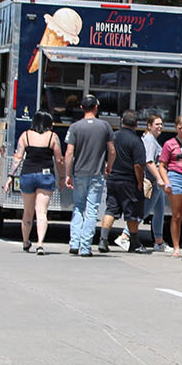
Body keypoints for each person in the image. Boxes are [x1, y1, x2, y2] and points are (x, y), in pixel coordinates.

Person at [64, 95, 115, 256]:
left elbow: (69, 153)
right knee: (92, 209)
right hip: (97, 173)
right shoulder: (105, 126)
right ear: (96, 107)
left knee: (78, 207)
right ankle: (86, 247)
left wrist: (67, 174)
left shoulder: (75, 127)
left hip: (79, 172)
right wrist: (109, 167)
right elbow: (112, 151)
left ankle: (74, 243)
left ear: (81, 108)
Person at [13, 110, 66, 255]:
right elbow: (59, 160)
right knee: (41, 212)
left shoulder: (25, 135)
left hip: (27, 175)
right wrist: (62, 177)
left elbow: (18, 157)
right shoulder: (52, 137)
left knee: (27, 211)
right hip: (46, 176)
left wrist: (10, 175)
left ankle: (25, 242)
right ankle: (40, 244)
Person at [102, 110, 148, 253]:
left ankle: (103, 240)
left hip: (113, 178)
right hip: (129, 181)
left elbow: (106, 157)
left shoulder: (113, 137)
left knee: (111, 209)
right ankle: (134, 242)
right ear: (137, 124)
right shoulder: (136, 140)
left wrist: (108, 171)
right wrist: (140, 182)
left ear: (122, 121)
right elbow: (138, 165)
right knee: (131, 213)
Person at [159, 115, 182, 258]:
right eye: (179, 128)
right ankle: (176, 246)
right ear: (175, 128)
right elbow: (162, 165)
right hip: (175, 176)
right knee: (177, 214)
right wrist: (167, 182)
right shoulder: (169, 144)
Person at [142, 115, 168, 252]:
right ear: (149, 125)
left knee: (159, 212)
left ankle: (159, 242)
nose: (160, 127)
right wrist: (159, 178)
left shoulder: (153, 140)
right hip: (153, 182)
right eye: (157, 124)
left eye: (161, 124)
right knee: (145, 211)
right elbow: (149, 161)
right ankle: (126, 234)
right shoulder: (150, 140)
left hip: (157, 184)